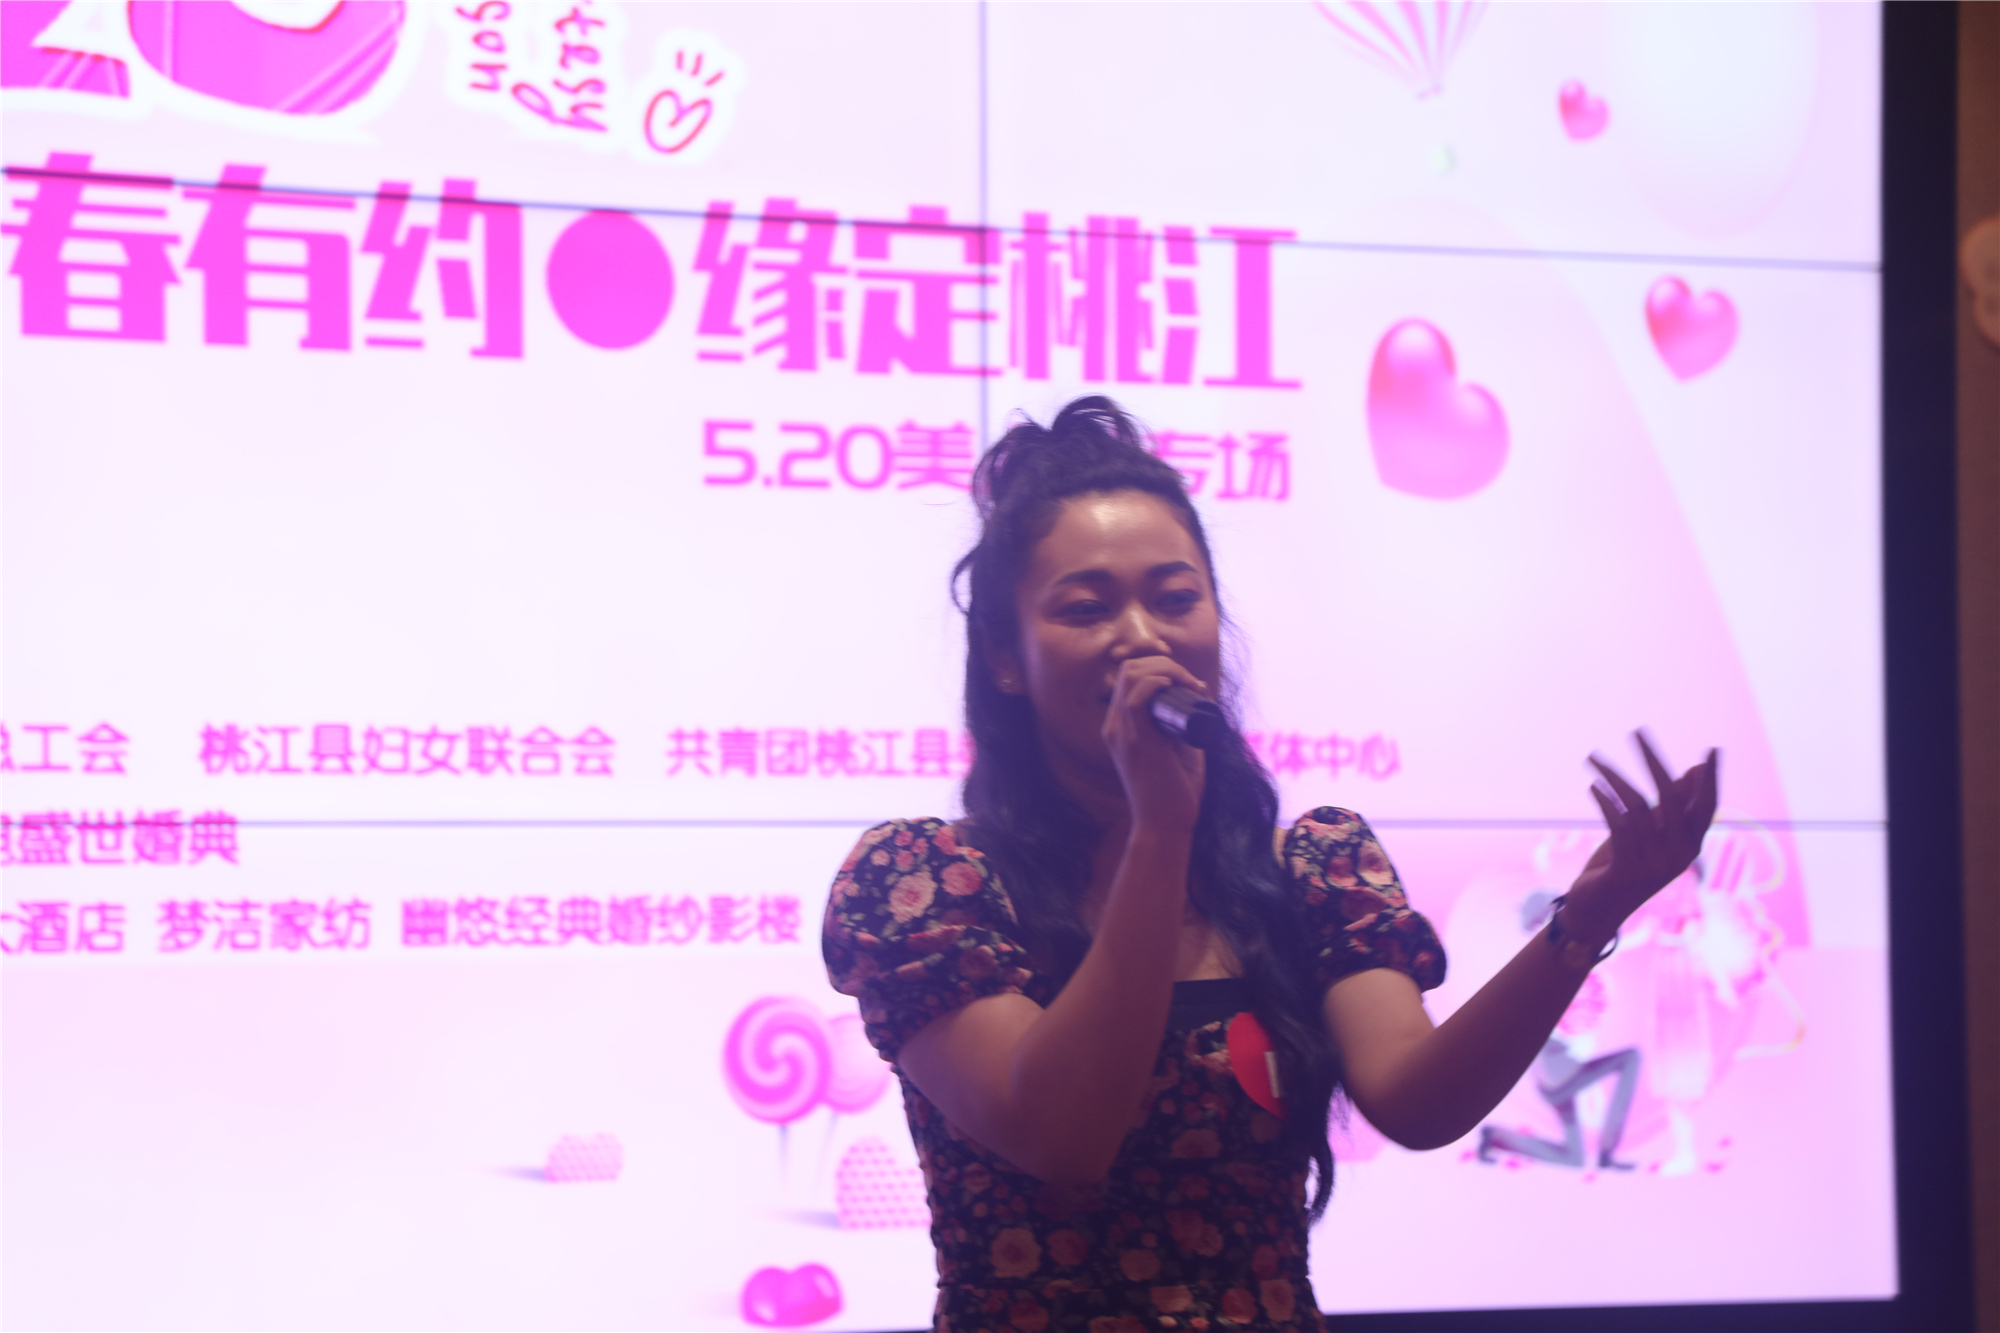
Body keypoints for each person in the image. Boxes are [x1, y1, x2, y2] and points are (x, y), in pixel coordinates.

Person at [821, 397, 1718, 1332]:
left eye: (1176, 598)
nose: (1144, 636)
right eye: (1088, 608)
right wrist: (1160, 833)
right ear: (1007, 659)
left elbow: (1418, 1102)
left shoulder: (1310, 867)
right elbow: (1063, 1133)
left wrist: (1587, 917)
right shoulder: (924, 882)